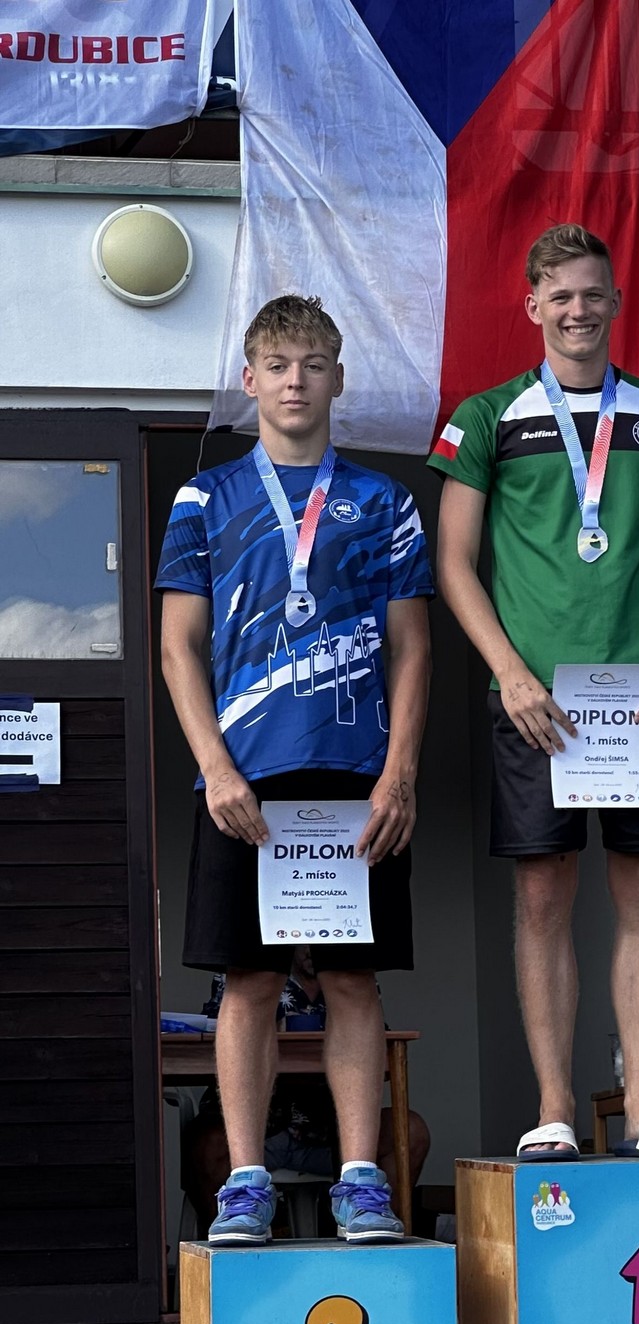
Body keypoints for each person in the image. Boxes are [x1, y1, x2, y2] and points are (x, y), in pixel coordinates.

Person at [431, 222, 639, 1160]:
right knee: (541, 898)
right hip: (539, 702)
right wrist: (509, 674)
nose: (577, 311)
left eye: (593, 294)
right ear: (532, 306)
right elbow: (453, 562)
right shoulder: (486, 417)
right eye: (560, 296)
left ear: (615, 301)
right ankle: (555, 1107)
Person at [157, 293, 433, 1244]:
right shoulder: (205, 499)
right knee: (248, 979)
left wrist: (399, 775)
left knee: (352, 980)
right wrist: (215, 768)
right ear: (249, 380)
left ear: (338, 379)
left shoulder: (384, 501)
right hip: (245, 781)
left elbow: (412, 648)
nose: (295, 381)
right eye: (277, 365)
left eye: (313, 365)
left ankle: (360, 1180)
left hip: (355, 777)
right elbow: (177, 647)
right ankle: (244, 1182)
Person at [181, 951, 431, 1235]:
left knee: (411, 1131)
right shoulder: (246, 967)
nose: (312, 945)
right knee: (205, 1143)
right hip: (261, 1132)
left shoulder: (356, 974)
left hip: (331, 1132)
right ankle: (234, 1227)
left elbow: (379, 1061)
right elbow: (217, 1043)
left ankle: (368, 1220)